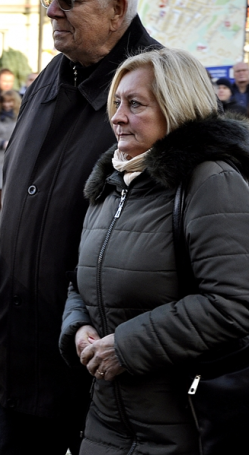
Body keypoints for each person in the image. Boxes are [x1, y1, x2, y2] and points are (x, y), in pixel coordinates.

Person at [0, 0, 161, 454]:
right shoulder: (48, 78)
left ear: (116, 11)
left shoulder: (159, 90)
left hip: (102, 375)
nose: (51, 10)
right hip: (19, 363)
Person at [60, 48, 249, 454]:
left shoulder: (211, 180)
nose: (117, 116)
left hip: (185, 427)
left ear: (176, 107)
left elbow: (234, 303)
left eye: (135, 104)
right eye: (116, 102)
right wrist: (78, 328)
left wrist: (125, 347)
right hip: (104, 424)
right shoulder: (113, 181)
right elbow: (82, 279)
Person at [0, 90, 19, 217]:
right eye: (5, 102)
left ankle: (12, 217)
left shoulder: (21, 115)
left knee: (14, 188)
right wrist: (2, 143)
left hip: (16, 155)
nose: (7, 105)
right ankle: (2, 217)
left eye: (10, 102)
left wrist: (12, 143)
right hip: (0, 156)